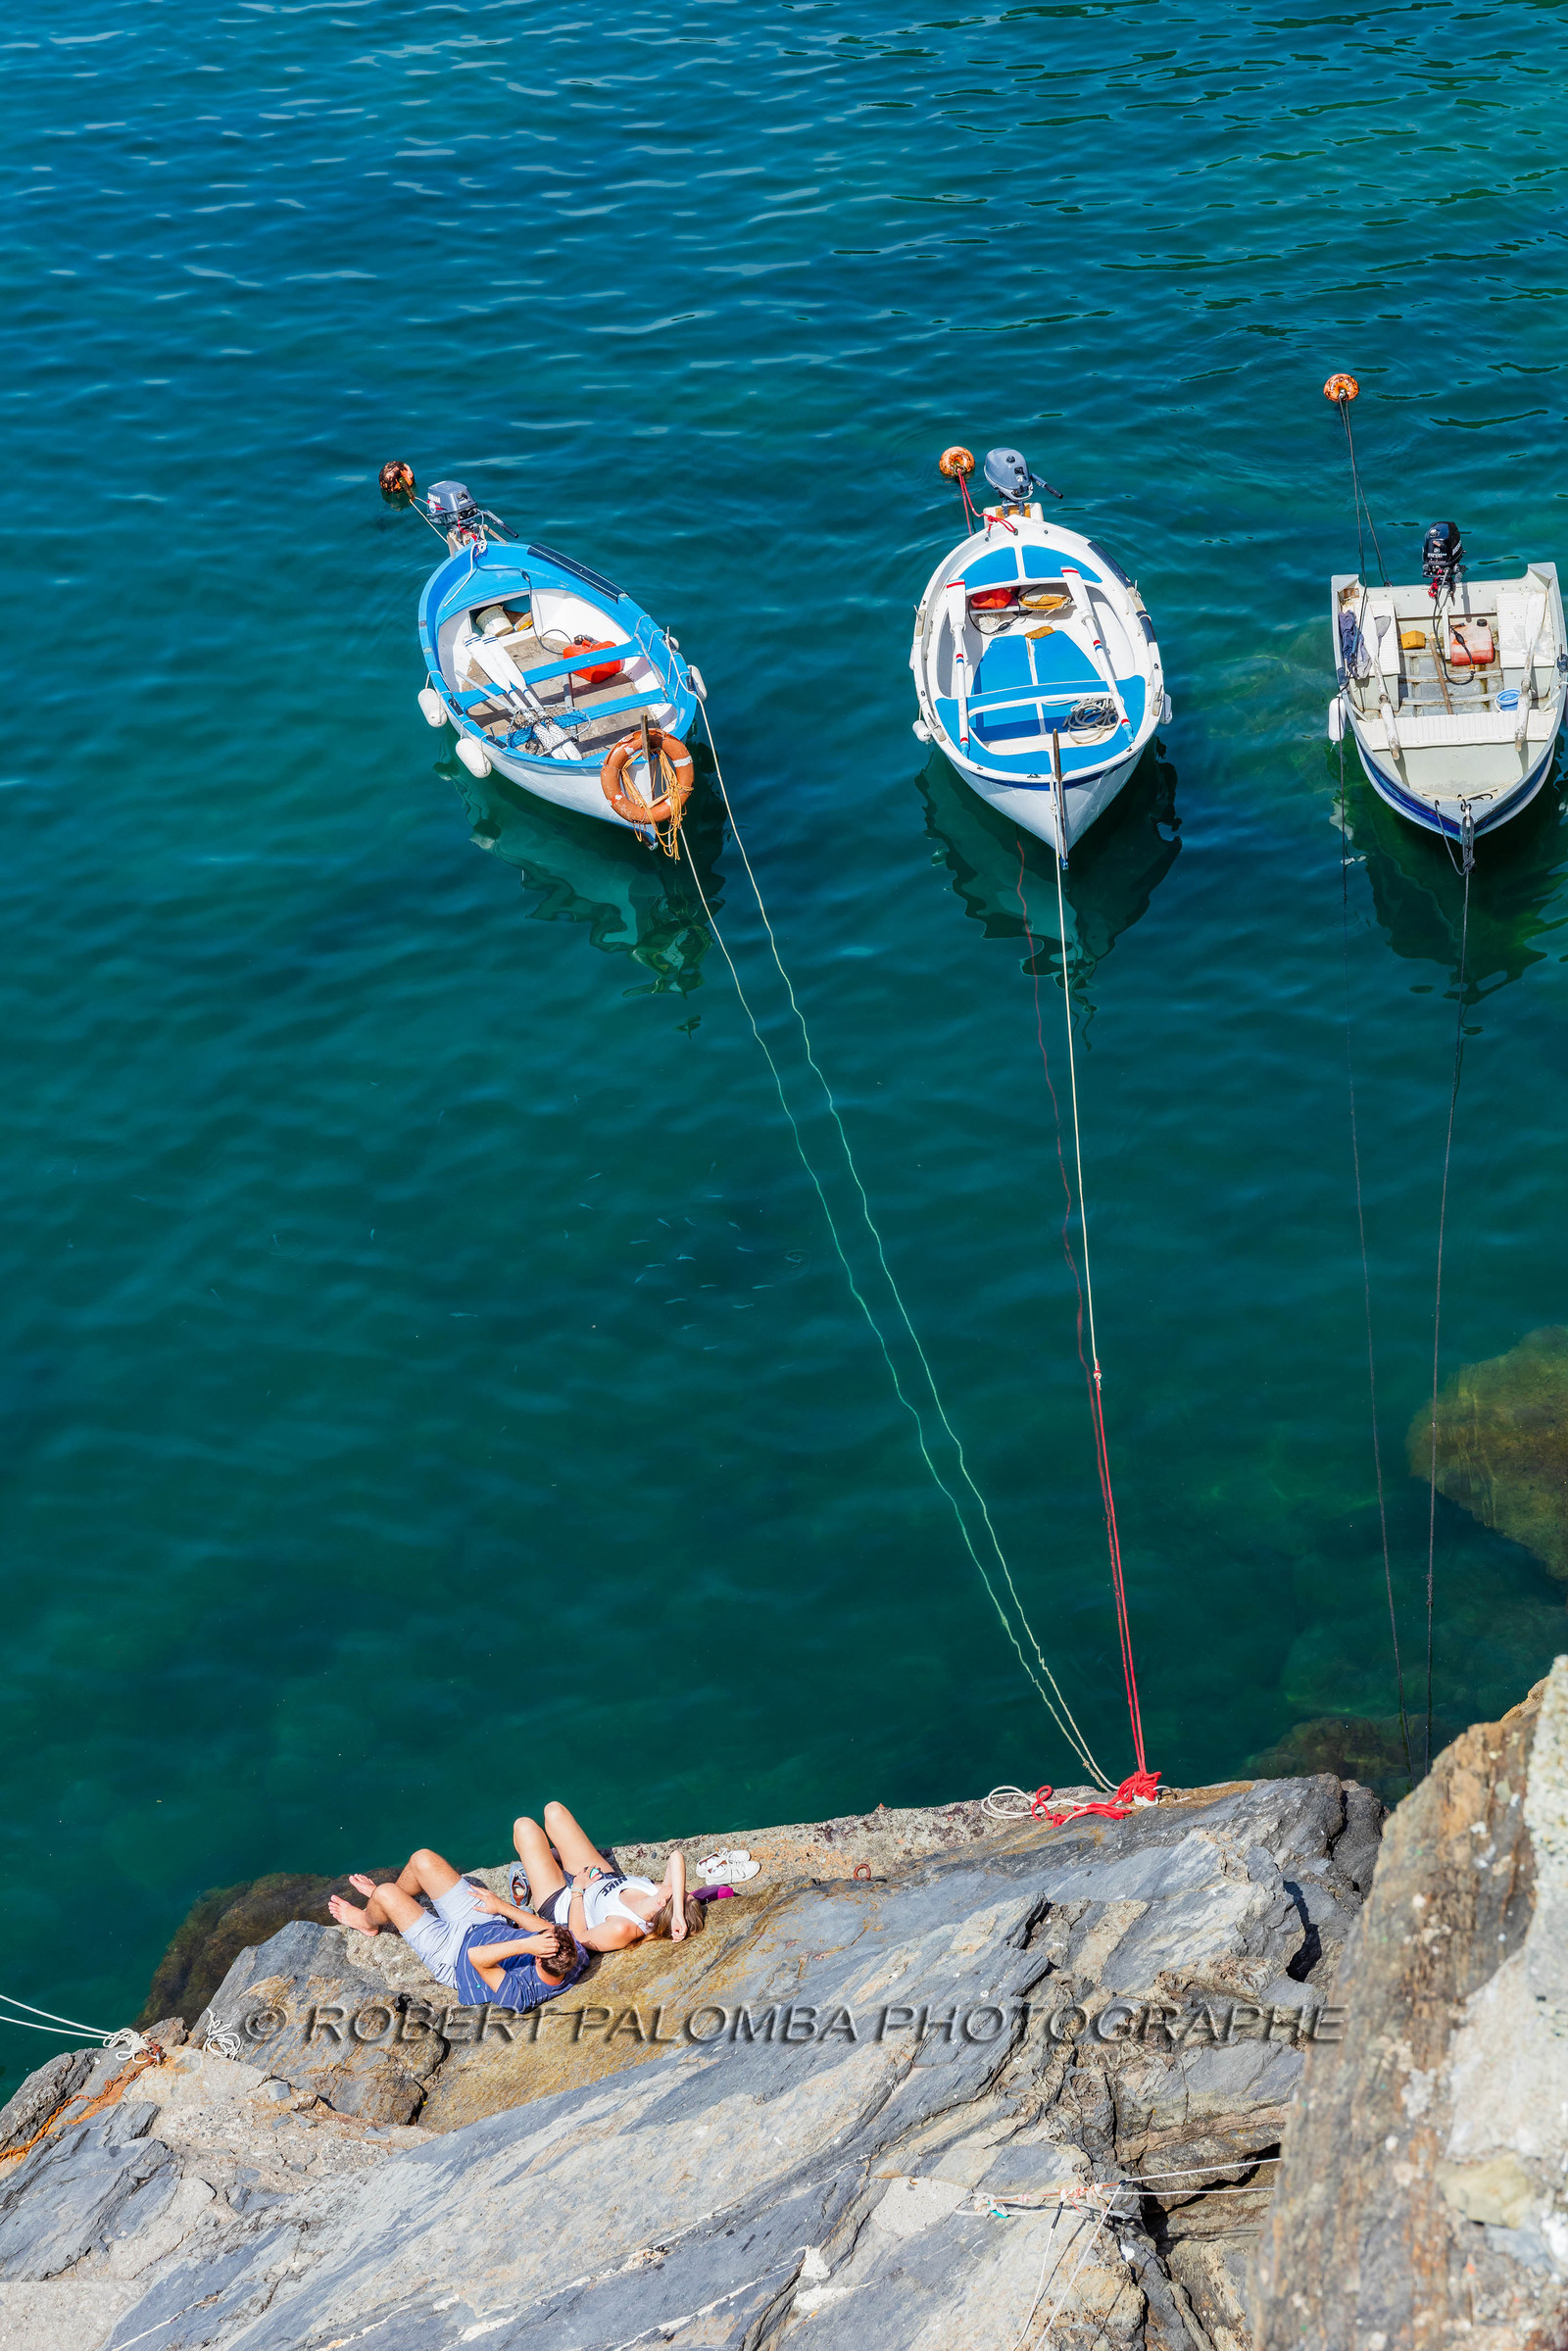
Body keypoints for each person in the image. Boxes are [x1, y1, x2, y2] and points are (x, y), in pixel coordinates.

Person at [328, 1848, 585, 2013]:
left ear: (539, 1957)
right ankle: (384, 1903)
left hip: (453, 1956)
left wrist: (525, 1945)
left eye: (541, 1945)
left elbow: (477, 1958)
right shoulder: (574, 1956)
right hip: (486, 1923)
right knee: (423, 1859)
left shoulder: (521, 1994)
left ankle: (368, 1920)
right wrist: (501, 1907)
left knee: (385, 1892)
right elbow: (549, 1929)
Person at [507, 1799, 706, 1953]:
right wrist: (678, 1912)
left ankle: (543, 1862)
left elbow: (580, 1936)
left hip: (563, 1902)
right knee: (554, 1811)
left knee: (524, 1827)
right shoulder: (657, 1894)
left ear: (663, 1902)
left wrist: (577, 1889)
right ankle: (550, 1858)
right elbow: (675, 1857)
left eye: (681, 1895)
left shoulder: (624, 1928)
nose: (681, 1889)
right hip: (598, 1876)